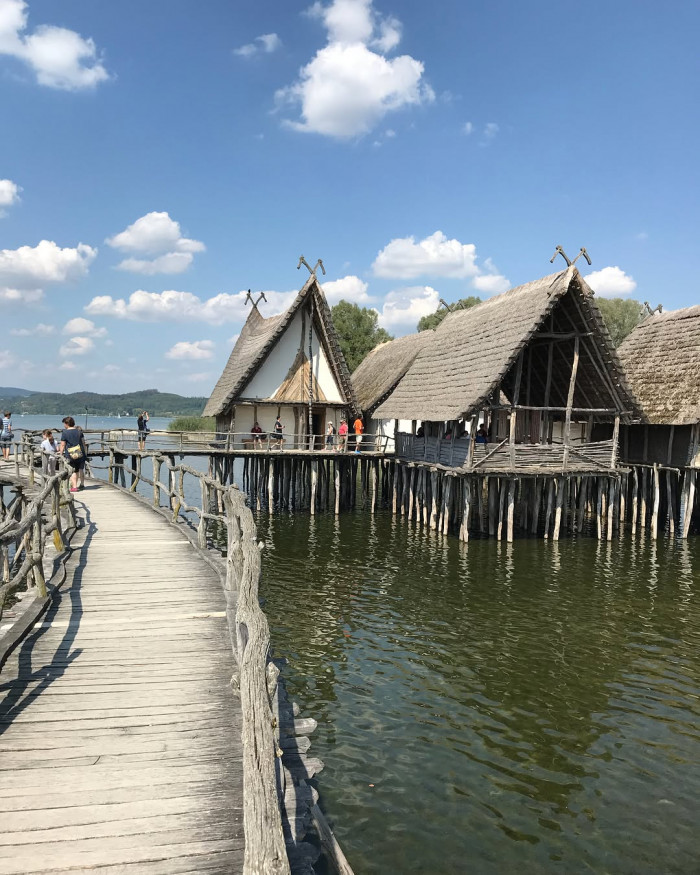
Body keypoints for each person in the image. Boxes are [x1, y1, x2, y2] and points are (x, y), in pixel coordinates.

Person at [60, 416, 87, 492]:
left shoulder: (65, 432)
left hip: (70, 454)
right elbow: (83, 443)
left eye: (64, 424)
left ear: (67, 424)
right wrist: (85, 452)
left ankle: (74, 487)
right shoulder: (79, 431)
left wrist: (60, 453)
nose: (64, 425)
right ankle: (76, 485)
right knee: (78, 470)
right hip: (80, 453)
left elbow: (62, 444)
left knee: (72, 471)